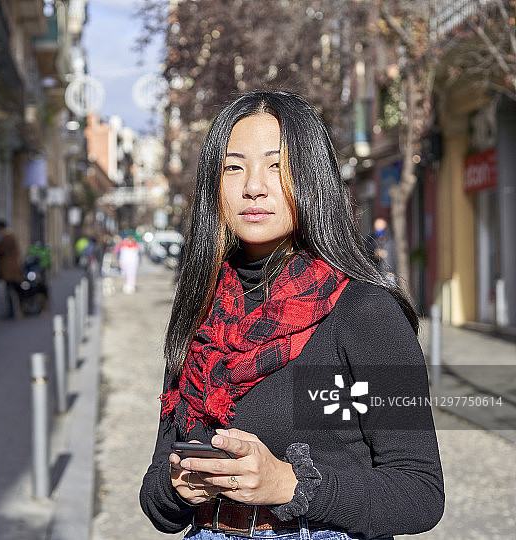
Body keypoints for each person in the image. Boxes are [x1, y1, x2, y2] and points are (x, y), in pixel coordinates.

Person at [140, 91, 443, 539]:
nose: (253, 187)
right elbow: (156, 497)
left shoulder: (364, 312)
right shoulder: (201, 315)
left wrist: (289, 484)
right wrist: (179, 488)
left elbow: (420, 491)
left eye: (276, 165)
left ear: (311, 177)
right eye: (233, 166)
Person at [0, 219, 22, 319]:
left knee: (10, 290)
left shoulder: (7, 238)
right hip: (11, 269)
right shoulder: (10, 236)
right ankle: (14, 311)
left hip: (9, 270)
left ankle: (12, 312)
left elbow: (0, 250)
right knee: (11, 290)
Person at [366, 217, 397, 286]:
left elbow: (394, 257)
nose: (379, 230)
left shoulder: (391, 240)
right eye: (377, 227)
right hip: (376, 274)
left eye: (381, 227)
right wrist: (374, 253)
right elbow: (366, 253)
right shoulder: (371, 240)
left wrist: (393, 271)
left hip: (389, 275)